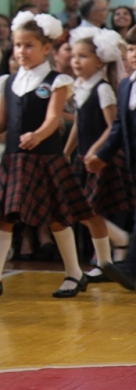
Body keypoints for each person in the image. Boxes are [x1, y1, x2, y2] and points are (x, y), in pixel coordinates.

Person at [0, 11, 92, 301]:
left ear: (46, 48)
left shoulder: (56, 81)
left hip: (45, 159)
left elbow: (53, 118)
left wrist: (38, 135)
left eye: (29, 45)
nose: (22, 51)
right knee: (3, 217)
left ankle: (74, 272)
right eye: (18, 45)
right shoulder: (8, 82)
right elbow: (0, 123)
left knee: (57, 218)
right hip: (15, 160)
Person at [65, 30, 132, 280]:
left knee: (88, 210)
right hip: (84, 158)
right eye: (74, 55)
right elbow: (78, 123)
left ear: (100, 61)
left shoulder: (103, 89)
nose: (76, 61)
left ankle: (113, 250)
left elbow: (112, 126)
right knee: (81, 210)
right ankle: (110, 253)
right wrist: (66, 152)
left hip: (102, 160)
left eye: (83, 56)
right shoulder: (79, 86)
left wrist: (95, 150)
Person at [87, 27, 136, 289]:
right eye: (131, 49)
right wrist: (102, 155)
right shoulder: (126, 85)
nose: (134, 54)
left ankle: (131, 267)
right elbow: (118, 126)